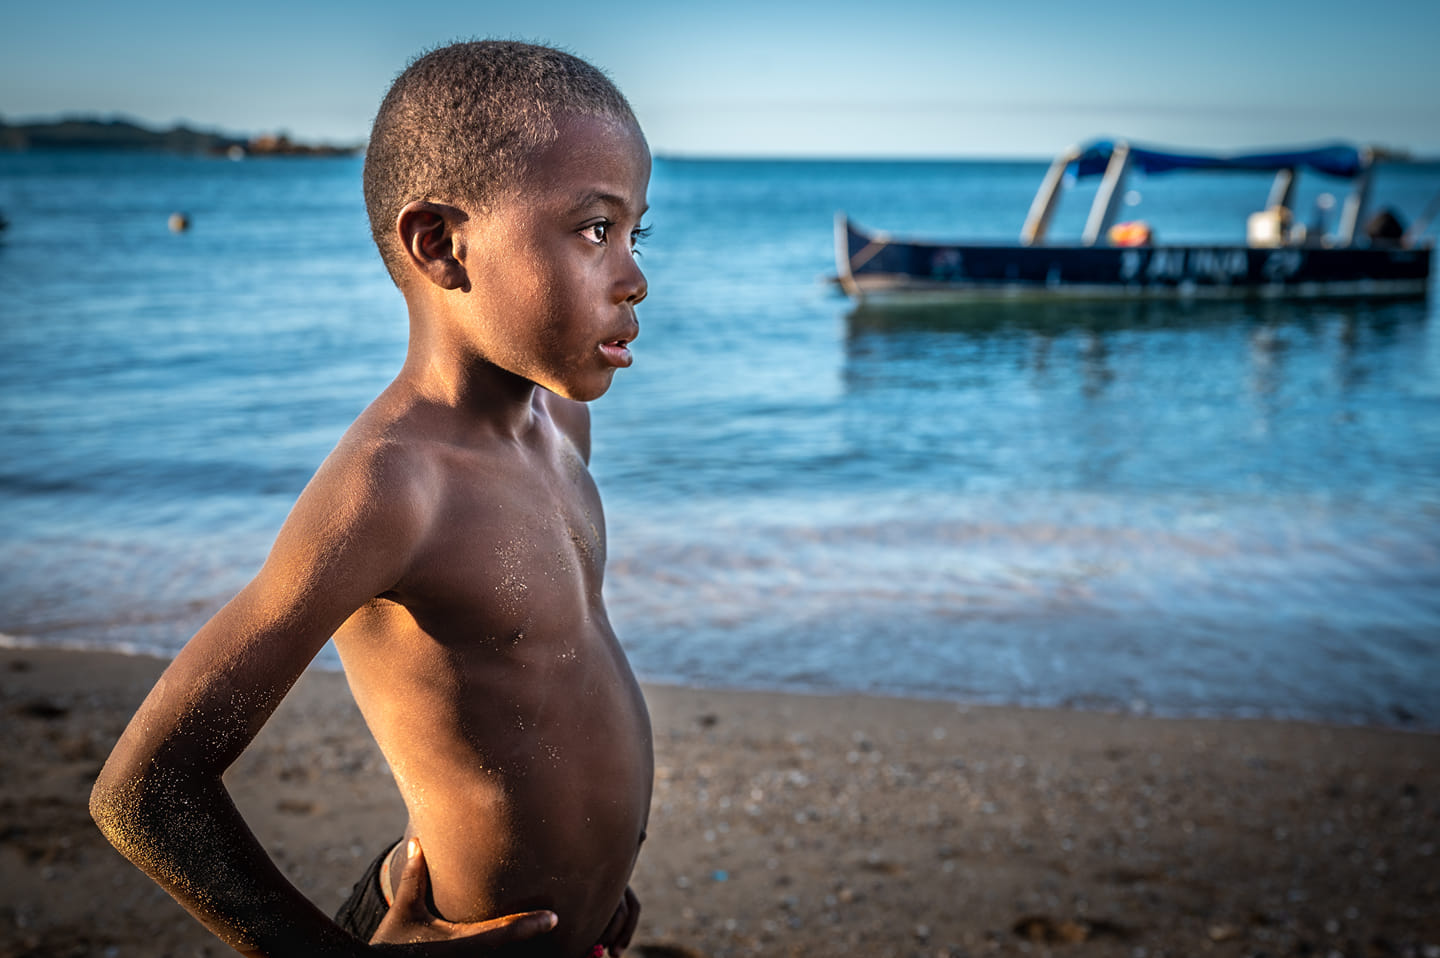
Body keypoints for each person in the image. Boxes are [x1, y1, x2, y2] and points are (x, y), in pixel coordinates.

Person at [91, 40, 653, 958]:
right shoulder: (396, 486)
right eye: (595, 230)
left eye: (639, 232)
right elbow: (144, 793)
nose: (634, 277)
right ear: (439, 244)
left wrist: (600, 883)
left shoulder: (556, 427)